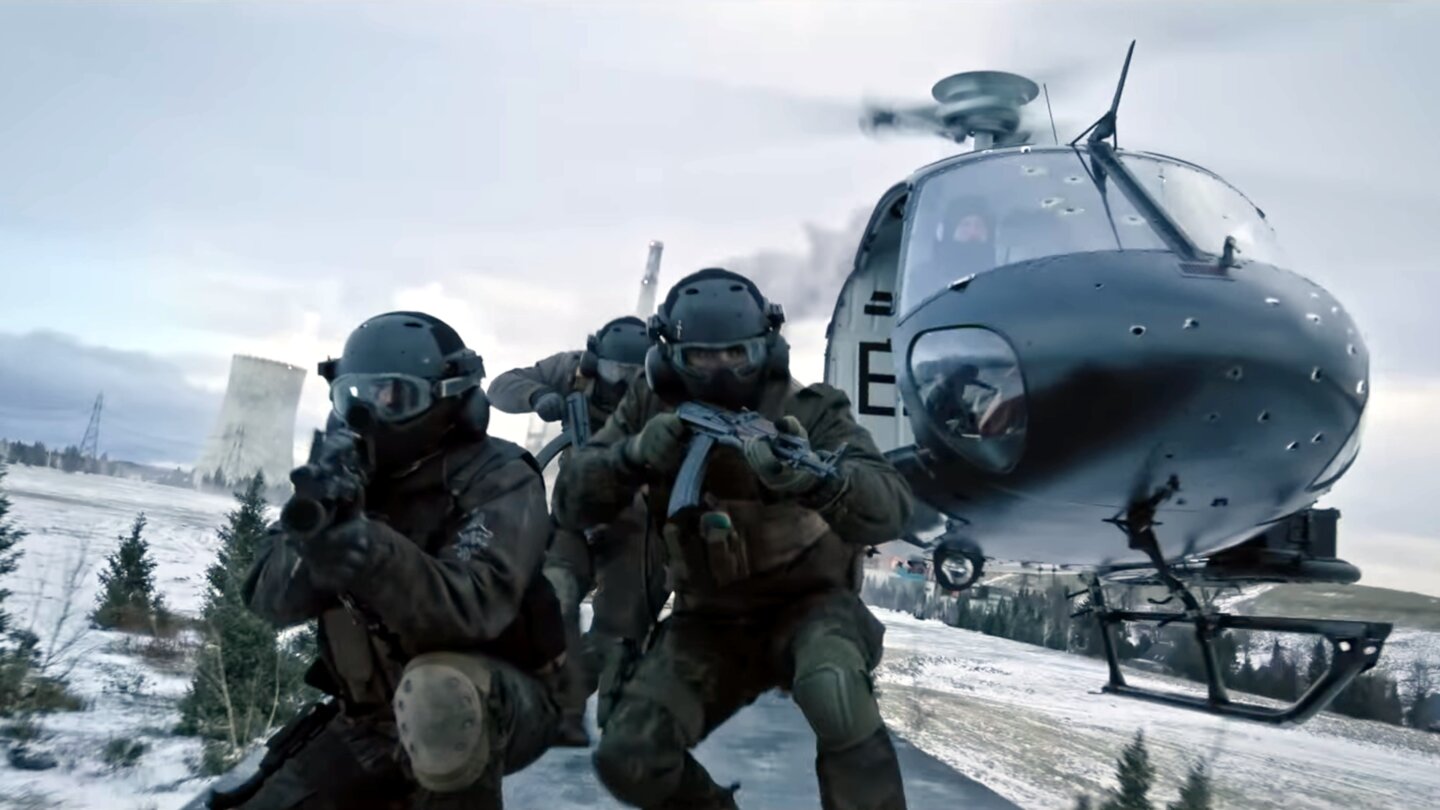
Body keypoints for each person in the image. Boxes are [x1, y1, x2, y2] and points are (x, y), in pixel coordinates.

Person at [554, 268, 914, 810]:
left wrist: (818, 480)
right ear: (669, 356)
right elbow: (570, 502)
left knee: (834, 689)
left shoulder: (812, 409)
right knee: (629, 756)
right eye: (700, 357)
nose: (721, 370)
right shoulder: (647, 406)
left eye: (737, 355)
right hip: (709, 621)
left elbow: (891, 506)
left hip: (812, 608)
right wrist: (629, 458)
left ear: (765, 350)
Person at [233, 312, 564, 810]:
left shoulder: (501, 477)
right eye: (355, 396)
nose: (372, 412)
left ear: (451, 398)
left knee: (441, 694)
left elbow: (472, 611)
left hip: (499, 703)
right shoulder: (348, 472)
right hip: (374, 719)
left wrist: (368, 547)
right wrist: (315, 544)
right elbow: (267, 600)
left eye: (396, 396)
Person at [488, 315, 668, 747]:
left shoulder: (669, 390)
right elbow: (500, 387)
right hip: (575, 518)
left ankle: (582, 708)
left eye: (635, 374)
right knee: (553, 597)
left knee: (619, 630)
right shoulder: (569, 371)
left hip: (640, 529)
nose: (624, 383)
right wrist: (538, 395)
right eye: (614, 371)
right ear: (594, 362)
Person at [930, 194, 997, 275]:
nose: (973, 231)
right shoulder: (929, 274)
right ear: (951, 232)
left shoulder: (999, 273)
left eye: (979, 225)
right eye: (965, 225)